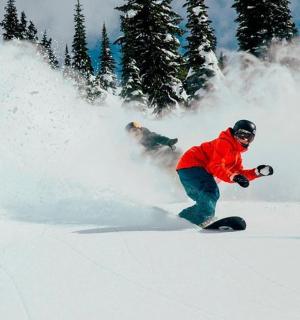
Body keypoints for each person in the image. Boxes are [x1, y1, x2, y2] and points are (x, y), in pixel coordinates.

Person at [176, 120, 274, 227]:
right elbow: (216, 166)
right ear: (235, 134)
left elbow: (237, 172)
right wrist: (233, 176)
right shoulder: (224, 143)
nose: (245, 140)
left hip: (193, 168)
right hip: (192, 164)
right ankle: (204, 219)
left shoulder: (236, 154)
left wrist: (256, 172)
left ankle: (182, 220)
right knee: (210, 192)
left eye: (249, 137)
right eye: (242, 135)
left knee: (208, 196)